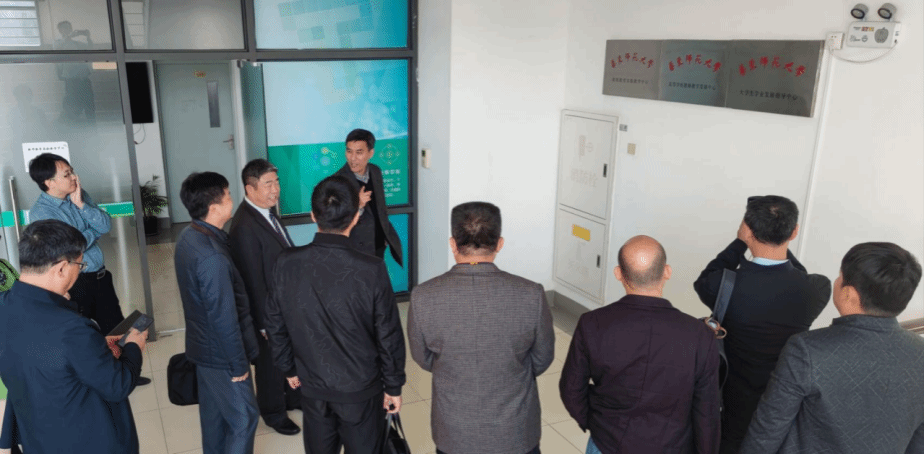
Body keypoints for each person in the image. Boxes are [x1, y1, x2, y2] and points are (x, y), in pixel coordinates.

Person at [265, 175, 405, 454]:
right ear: (355, 217)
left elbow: (274, 322)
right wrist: (393, 385)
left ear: (312, 215)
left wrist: (288, 368)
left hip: (312, 386)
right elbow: (388, 334)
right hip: (361, 391)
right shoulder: (371, 269)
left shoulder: (287, 262)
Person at [740, 242, 924, 454]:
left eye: (840, 276)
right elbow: (919, 442)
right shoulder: (920, 354)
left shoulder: (806, 349)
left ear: (848, 294)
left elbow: (767, 430)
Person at [408, 201, 555, 454]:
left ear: (453, 244)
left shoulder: (423, 296)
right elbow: (542, 358)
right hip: (515, 432)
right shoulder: (531, 294)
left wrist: (453, 367)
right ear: (500, 244)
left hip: (454, 433)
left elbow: (423, 357)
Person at [693, 195, 831, 454]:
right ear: (794, 232)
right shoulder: (816, 289)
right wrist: (779, 239)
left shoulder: (722, 284)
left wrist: (740, 242)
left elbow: (705, 278)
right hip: (785, 407)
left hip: (732, 403)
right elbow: (798, 273)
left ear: (747, 230)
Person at [561, 235, 720, 454]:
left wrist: (597, 423)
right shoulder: (699, 336)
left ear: (618, 274)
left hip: (608, 443)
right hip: (672, 447)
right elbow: (707, 412)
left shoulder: (592, 323)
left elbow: (571, 389)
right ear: (667, 272)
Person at [0, 219, 147, 453]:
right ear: (61, 268)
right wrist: (133, 346)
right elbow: (117, 385)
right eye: (80, 264)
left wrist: (95, 349)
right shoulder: (72, 328)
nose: (81, 270)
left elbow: (43, 358)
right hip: (85, 440)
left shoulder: (4, 306)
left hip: (37, 438)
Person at [175, 172, 259, 454]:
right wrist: (238, 365)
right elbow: (224, 317)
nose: (232, 200)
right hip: (221, 355)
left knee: (214, 419)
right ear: (214, 208)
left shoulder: (189, 235)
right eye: (228, 196)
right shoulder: (212, 257)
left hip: (202, 349)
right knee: (244, 419)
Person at [228, 159, 301, 436]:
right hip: (266, 313)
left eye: (277, 182)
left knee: (288, 356)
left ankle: (293, 398)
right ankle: (273, 413)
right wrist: (263, 324)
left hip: (282, 305)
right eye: (268, 184)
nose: (276, 189)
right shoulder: (244, 226)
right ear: (250, 188)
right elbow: (252, 281)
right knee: (270, 364)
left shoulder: (265, 212)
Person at [334, 128, 402, 265]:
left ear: (370, 153)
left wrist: (384, 234)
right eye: (349, 151)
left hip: (378, 244)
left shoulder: (375, 171)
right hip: (357, 249)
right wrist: (358, 205)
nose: (353, 158)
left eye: (359, 152)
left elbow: (380, 206)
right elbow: (337, 222)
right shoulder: (338, 181)